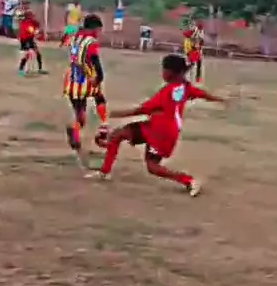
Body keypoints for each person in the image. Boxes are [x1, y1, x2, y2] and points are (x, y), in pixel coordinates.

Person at [92, 54, 227, 193]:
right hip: (156, 127)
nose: (162, 73)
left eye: (164, 70)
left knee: (152, 166)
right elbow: (201, 93)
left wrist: (115, 113)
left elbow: (142, 110)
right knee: (118, 134)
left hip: (162, 134)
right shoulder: (184, 86)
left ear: (171, 72)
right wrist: (219, 99)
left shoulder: (167, 92)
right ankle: (104, 172)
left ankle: (189, 180)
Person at [63, 13, 109, 168]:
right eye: (99, 30)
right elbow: (95, 61)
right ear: (95, 28)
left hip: (72, 79)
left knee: (80, 113)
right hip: (87, 78)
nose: (99, 33)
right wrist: (99, 77)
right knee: (99, 98)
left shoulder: (74, 38)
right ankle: (104, 125)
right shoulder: (91, 42)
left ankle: (75, 130)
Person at [18, 8, 46, 75]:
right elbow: (32, 31)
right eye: (30, 15)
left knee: (38, 54)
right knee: (27, 55)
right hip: (25, 40)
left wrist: (39, 30)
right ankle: (22, 70)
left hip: (30, 39)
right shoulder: (25, 23)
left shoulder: (31, 21)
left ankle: (40, 69)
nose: (32, 16)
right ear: (27, 16)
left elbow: (37, 25)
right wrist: (38, 32)